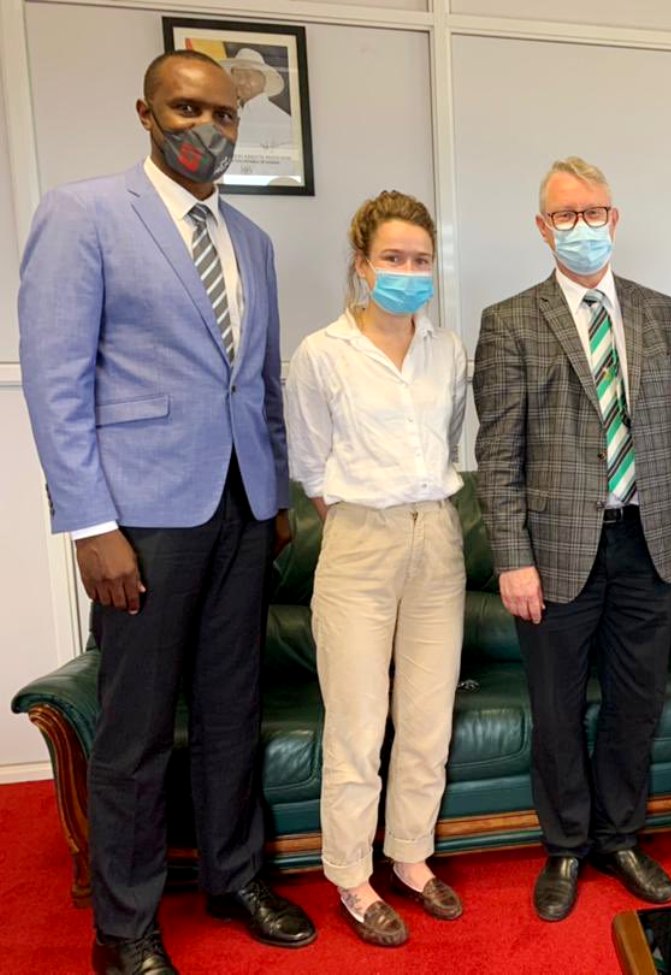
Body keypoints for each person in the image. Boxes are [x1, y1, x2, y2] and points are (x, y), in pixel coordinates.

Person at [18, 50, 314, 974]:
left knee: (232, 708)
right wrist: (89, 523)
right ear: (145, 112)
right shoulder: (85, 213)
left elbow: (258, 383)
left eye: (225, 116)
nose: (210, 130)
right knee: (139, 727)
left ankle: (233, 877)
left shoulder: (253, 242)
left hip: (243, 510)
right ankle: (125, 928)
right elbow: (57, 380)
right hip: (140, 517)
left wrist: (274, 498)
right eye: (189, 109)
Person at [473, 156, 671, 922]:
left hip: (652, 540)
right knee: (559, 702)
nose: (582, 226)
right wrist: (511, 556)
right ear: (543, 228)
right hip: (556, 552)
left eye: (594, 211)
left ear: (616, 218)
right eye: (565, 215)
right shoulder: (509, 321)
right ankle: (566, 844)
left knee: (638, 702)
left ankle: (622, 836)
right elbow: (498, 455)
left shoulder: (660, 312)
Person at [284, 191, 468, 947]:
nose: (407, 272)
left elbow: (451, 435)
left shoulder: (447, 349)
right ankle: (354, 878)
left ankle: (411, 857)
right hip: (359, 542)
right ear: (362, 266)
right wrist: (369, 526)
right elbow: (310, 467)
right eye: (392, 258)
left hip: (440, 540)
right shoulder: (321, 353)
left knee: (426, 719)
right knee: (360, 725)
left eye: (420, 260)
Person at [221, 48, 293, 151]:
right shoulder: (225, 115)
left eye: (248, 76)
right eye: (237, 76)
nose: (241, 82)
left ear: (263, 80)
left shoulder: (282, 122)